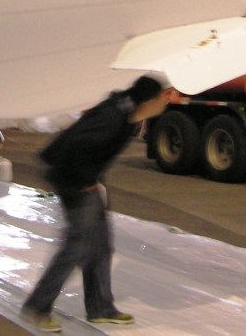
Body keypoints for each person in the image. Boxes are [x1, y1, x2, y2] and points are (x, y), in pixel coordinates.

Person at [21, 73, 175, 333]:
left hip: (83, 178)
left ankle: (101, 308)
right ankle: (38, 307)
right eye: (163, 96)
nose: (167, 101)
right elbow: (76, 147)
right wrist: (86, 181)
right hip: (71, 179)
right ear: (149, 101)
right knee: (76, 246)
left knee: (101, 245)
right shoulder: (113, 120)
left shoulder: (127, 112)